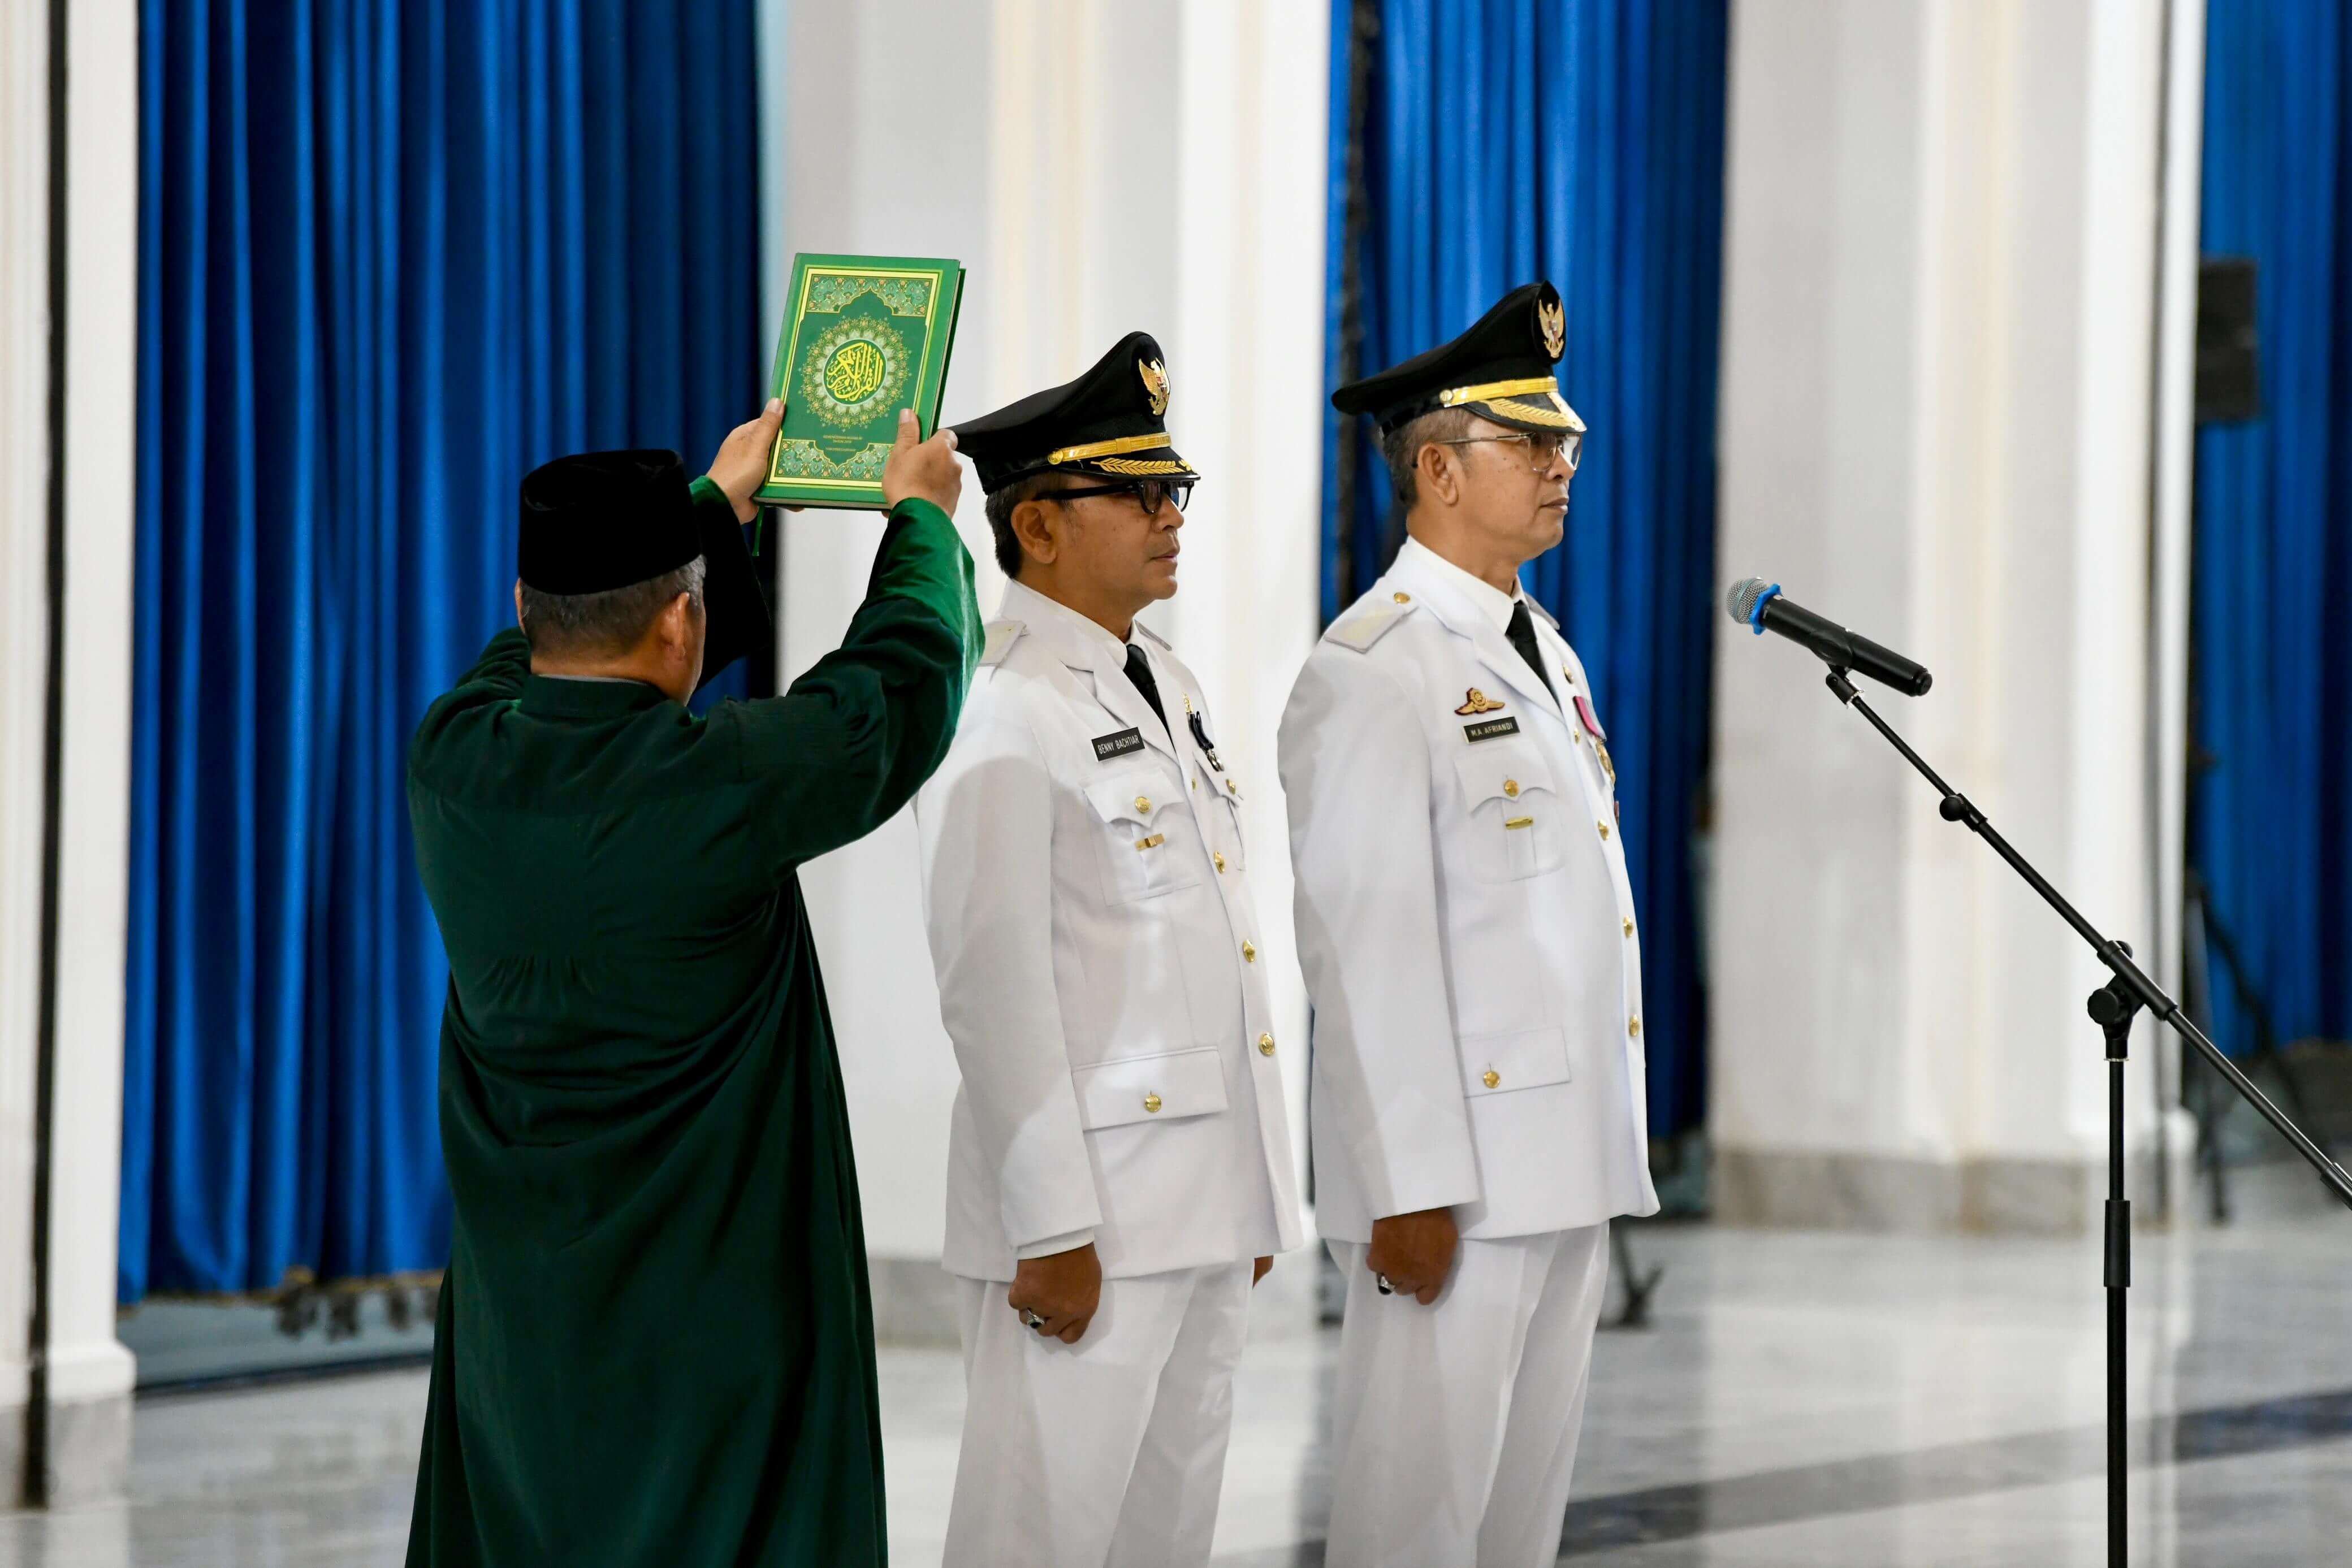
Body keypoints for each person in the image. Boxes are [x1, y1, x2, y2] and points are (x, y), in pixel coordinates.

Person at [403, 404, 976, 1567]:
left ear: (523, 605)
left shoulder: (451, 760)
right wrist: (919, 518)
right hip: (711, 1314)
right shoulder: (720, 785)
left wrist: (710, 514)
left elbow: (550, 660)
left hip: (527, 1318)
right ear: (683, 619)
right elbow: (897, 687)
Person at [1277, 282, 1657, 1567]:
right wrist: (1406, 1189)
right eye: (1529, 442)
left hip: (1561, 1157)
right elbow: (1365, 953)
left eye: (1566, 442)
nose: (1562, 464)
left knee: (1516, 1527)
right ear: (1436, 468)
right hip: (1462, 1185)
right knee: (1414, 1522)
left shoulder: (1541, 645)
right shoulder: (1374, 670)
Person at [915, 332, 1303, 1567]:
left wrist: (1253, 1181)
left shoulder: (1164, 684)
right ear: (1035, 527)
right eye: (1132, 492)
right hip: (1088, 1224)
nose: (1166, 515)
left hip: (1192, 1206)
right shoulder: (1000, 706)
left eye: (1171, 488)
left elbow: (1209, 957)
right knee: (1033, 1540)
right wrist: (1049, 1227)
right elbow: (993, 988)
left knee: (1163, 1540)